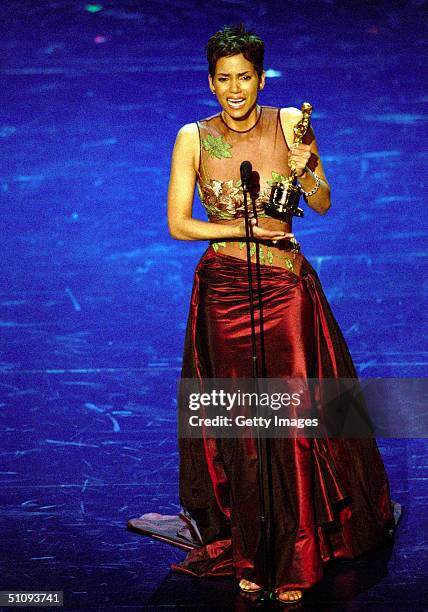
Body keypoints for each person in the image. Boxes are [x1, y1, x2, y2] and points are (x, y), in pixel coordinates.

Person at [167, 24, 397, 605]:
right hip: (222, 288)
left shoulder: (292, 120)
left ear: (260, 77)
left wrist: (307, 165)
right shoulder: (193, 137)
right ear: (211, 82)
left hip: (284, 287)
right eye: (223, 79)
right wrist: (243, 228)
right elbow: (178, 224)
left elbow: (320, 201)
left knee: (293, 420)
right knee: (243, 426)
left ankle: (296, 556)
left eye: (244, 77)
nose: (235, 89)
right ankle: (252, 550)